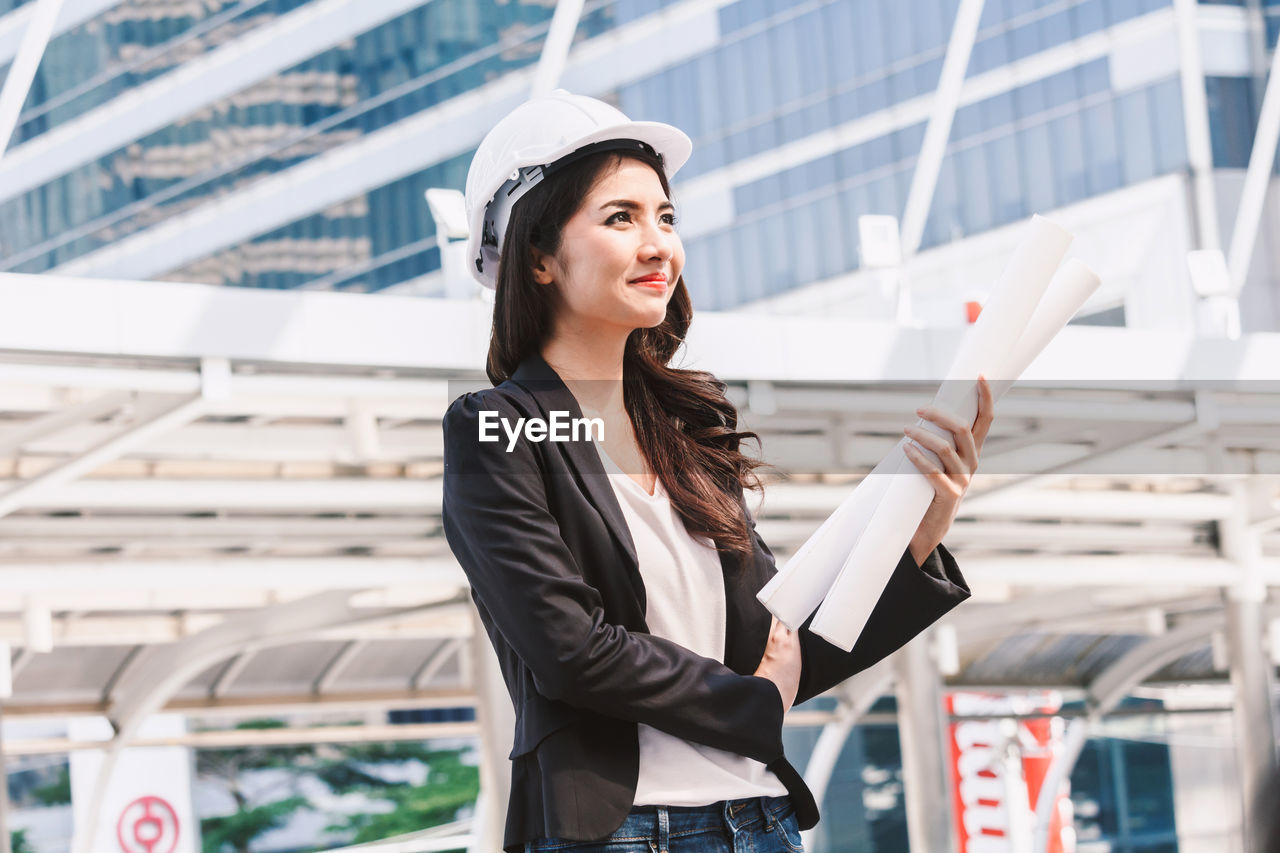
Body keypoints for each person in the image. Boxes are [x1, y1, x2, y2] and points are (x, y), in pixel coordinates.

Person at [441, 89, 993, 853]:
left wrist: (920, 534)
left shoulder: (686, 429)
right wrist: (753, 700)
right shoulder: (500, 426)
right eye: (620, 217)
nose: (658, 242)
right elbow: (571, 650)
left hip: (759, 822)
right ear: (537, 255)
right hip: (620, 835)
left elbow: (776, 653)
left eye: (665, 216)